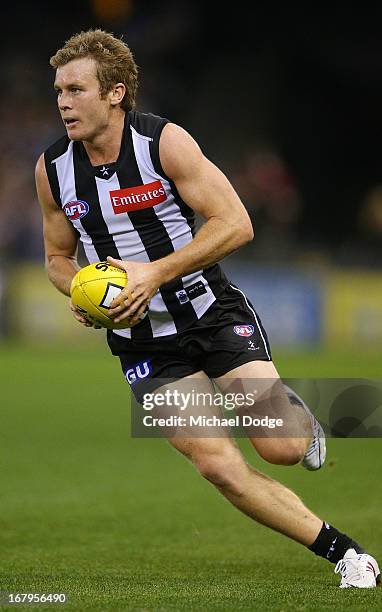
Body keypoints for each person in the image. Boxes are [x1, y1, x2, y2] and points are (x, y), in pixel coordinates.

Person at [35, 29, 379, 589]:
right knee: (219, 466)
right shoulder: (51, 170)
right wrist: (79, 291)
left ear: (116, 93)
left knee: (282, 448)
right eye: (58, 91)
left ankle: (303, 423)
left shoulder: (163, 144)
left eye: (75, 89)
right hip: (143, 344)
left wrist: (154, 273)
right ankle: (347, 554)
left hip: (212, 313)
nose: (62, 102)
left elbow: (235, 223)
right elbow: (56, 256)